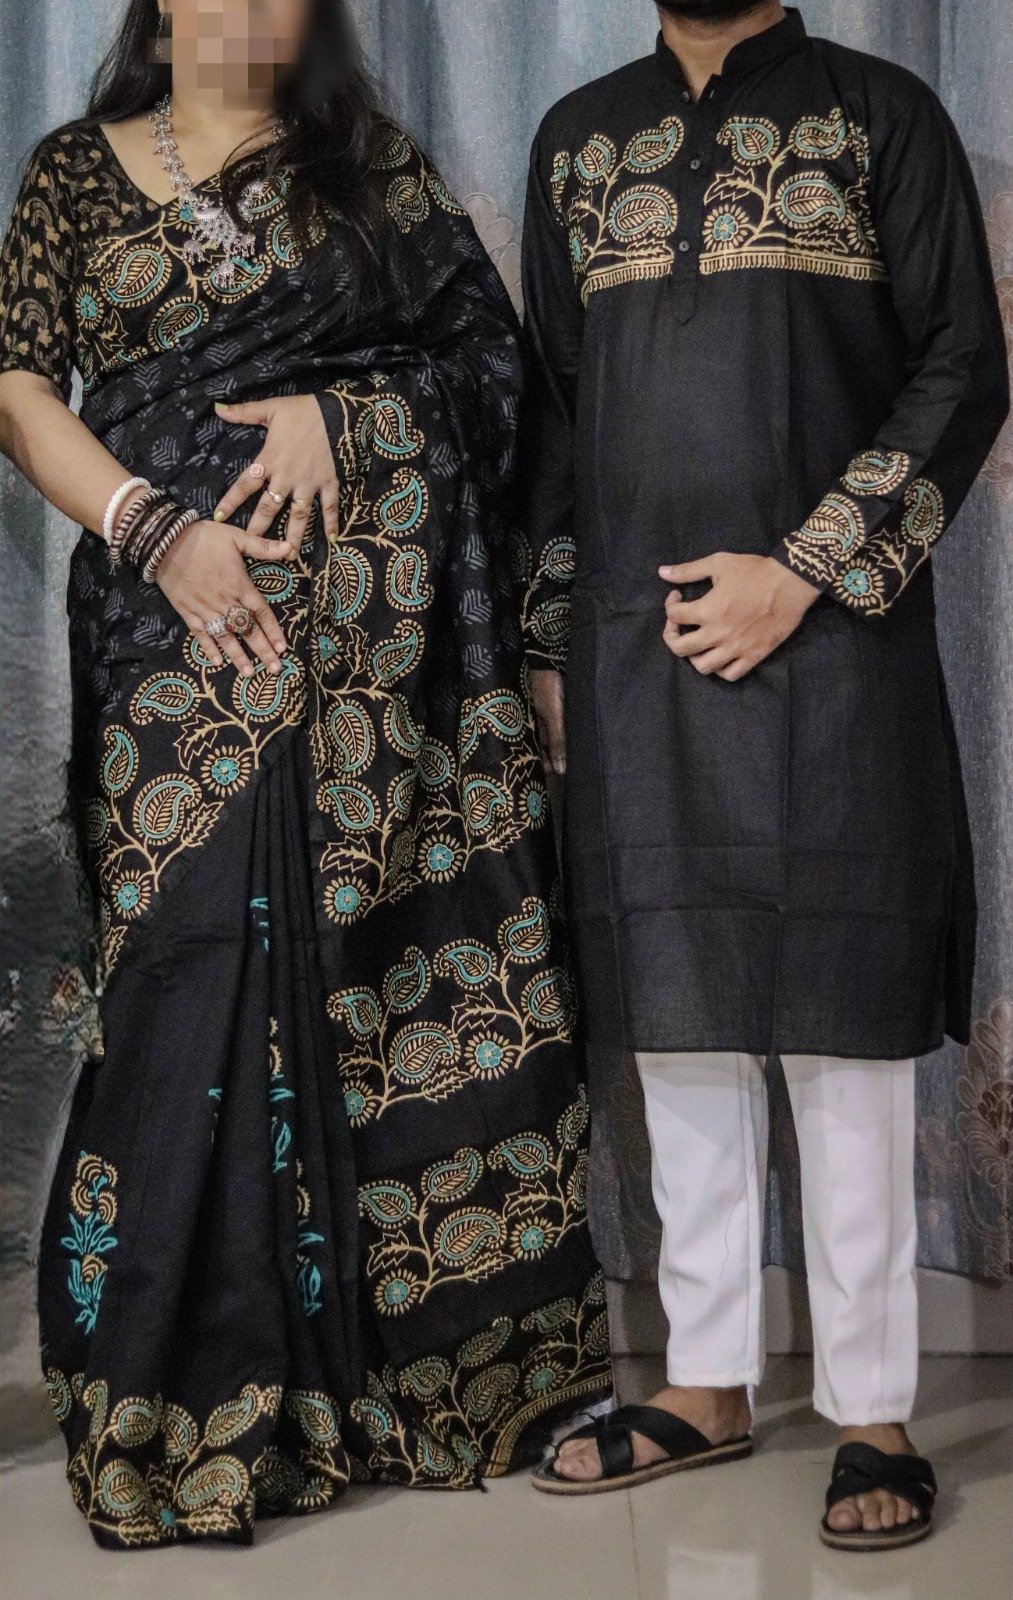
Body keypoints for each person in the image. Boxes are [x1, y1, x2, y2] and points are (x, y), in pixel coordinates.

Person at [0, 0, 612, 1550]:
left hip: (382, 682)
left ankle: (378, 1390)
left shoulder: (367, 171)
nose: (248, 11)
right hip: (171, 654)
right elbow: (16, 389)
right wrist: (160, 531)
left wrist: (355, 415)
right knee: (184, 984)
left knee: (366, 990)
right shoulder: (73, 172)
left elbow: (494, 376)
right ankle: (169, 1409)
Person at [519, 0, 1007, 1550]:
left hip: (832, 638)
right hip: (636, 643)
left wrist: (800, 571)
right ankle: (704, 1382)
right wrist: (548, 645)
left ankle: (871, 1410)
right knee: (677, 1016)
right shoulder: (578, 140)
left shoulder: (878, 115)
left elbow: (963, 364)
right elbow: (549, 413)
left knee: (839, 1024)